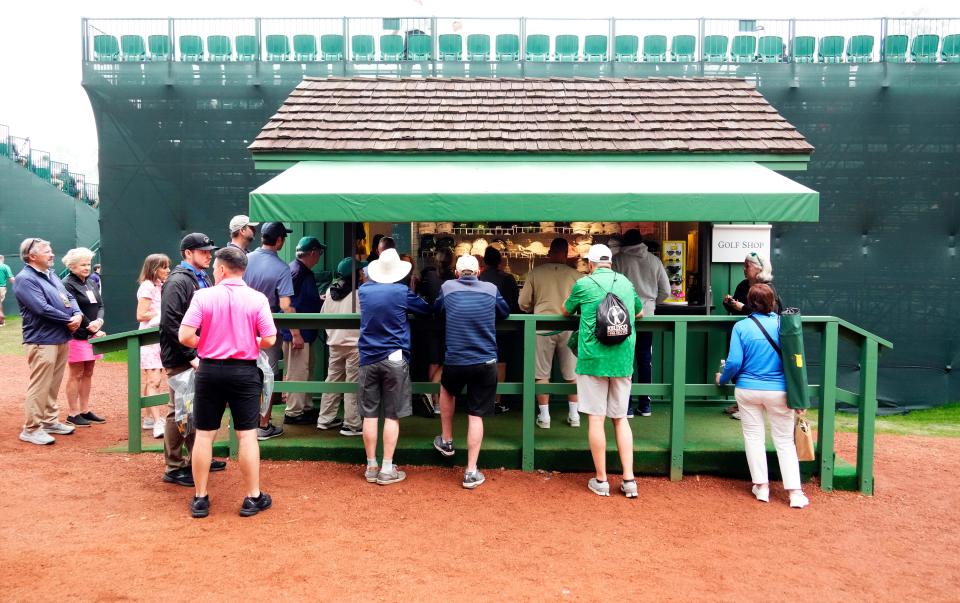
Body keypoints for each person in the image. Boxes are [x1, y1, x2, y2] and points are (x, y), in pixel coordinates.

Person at [179, 246, 277, 518]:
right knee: (247, 435)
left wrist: (208, 343)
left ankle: (200, 498)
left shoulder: (203, 296)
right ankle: (252, 497)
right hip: (244, 371)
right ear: (243, 269)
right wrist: (247, 341)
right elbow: (269, 339)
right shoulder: (257, 299)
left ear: (222, 269)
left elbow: (185, 336)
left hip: (209, 369)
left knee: (204, 434)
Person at [716, 283, 809, 509]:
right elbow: (797, 361)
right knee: (785, 441)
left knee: (753, 437)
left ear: (749, 302)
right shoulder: (784, 325)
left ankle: (761, 487)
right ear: (773, 302)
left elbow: (735, 362)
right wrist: (800, 396)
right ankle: (795, 492)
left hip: (747, 389)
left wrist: (722, 377)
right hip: (779, 390)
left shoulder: (741, 327)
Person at [563, 244, 644, 498]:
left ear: (590, 263)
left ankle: (601, 480)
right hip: (622, 358)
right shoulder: (626, 283)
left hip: (592, 359)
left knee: (596, 419)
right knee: (620, 419)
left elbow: (565, 310)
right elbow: (639, 312)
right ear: (611, 262)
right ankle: (629, 480)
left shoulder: (584, 284)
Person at [432, 255, 510, 489]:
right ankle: (471, 471)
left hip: (456, 359)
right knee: (476, 414)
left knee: (447, 389)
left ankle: (446, 440)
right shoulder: (491, 288)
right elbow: (504, 312)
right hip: (486, 360)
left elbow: (436, 310)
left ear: (457, 272)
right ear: (479, 272)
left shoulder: (447, 287)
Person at [357, 249, 431, 485]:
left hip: (368, 356)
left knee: (369, 414)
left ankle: (371, 466)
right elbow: (426, 310)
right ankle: (387, 468)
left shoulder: (364, 290)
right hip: (395, 357)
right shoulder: (401, 292)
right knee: (392, 414)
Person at [160, 233, 226, 486]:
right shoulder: (178, 280)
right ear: (188, 253)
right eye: (203, 251)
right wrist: (190, 356)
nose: (209, 254)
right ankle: (174, 466)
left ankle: (197, 457)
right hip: (183, 356)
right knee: (179, 409)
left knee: (192, 408)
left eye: (210, 251)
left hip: (198, 353)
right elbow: (170, 323)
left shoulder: (201, 277)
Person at [14, 238, 83, 445]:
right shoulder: (25, 279)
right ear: (32, 256)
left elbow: (69, 297)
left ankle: (49, 420)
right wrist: (68, 319)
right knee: (40, 384)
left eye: (51, 250)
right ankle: (31, 428)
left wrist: (78, 314)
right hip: (42, 339)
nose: (52, 254)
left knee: (53, 384)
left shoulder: (50, 274)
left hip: (59, 337)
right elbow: (41, 307)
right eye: (47, 251)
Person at [519, 237, 580, 429]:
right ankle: (574, 415)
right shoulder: (577, 275)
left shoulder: (535, 273)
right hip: (569, 327)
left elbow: (523, 304)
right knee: (571, 374)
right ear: (566, 254)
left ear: (549, 252)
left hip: (541, 327)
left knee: (541, 374)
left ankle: (544, 417)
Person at [244, 221, 297, 440]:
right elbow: (285, 305)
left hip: (241, 324)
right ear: (279, 241)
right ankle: (263, 424)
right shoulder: (281, 267)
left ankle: (245, 421)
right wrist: (296, 331)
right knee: (268, 374)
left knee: (244, 372)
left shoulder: (244, 260)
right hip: (266, 326)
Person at [612, 229, 670, 418]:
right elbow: (666, 291)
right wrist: (652, 302)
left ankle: (626, 405)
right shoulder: (654, 261)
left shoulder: (618, 260)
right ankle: (645, 405)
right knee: (645, 359)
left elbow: (610, 288)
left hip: (622, 315)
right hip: (648, 315)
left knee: (624, 358)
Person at [722, 252, 783, 418]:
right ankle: (741, 404)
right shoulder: (743, 285)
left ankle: (750, 407)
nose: (744, 269)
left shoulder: (768, 288)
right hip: (744, 334)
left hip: (763, 338)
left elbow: (770, 313)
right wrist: (729, 303)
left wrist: (743, 308)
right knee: (739, 364)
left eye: (747, 266)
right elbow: (736, 308)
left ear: (758, 268)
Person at [317, 257, 366, 437]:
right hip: (354, 345)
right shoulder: (360, 293)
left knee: (333, 381)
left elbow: (323, 316)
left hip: (335, 342)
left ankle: (325, 419)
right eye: (360, 271)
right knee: (352, 384)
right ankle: (352, 424)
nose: (362, 273)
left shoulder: (331, 292)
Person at [60, 248, 107, 427]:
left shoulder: (91, 282)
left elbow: (101, 304)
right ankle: (73, 413)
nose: (87, 267)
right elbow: (72, 309)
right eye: (83, 264)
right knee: (76, 373)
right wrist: (90, 326)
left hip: (92, 333)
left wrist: (99, 321)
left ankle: (85, 410)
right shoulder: (66, 284)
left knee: (88, 372)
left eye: (88, 264)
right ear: (72, 266)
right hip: (77, 336)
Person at [282, 236, 325, 425]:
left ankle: (305, 408)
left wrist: (319, 299)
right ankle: (293, 412)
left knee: (306, 369)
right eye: (319, 253)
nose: (320, 257)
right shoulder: (297, 272)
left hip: (305, 332)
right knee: (298, 372)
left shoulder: (300, 270)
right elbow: (287, 305)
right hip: (298, 333)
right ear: (313, 253)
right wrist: (295, 333)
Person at [478, 246, 520, 413]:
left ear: (484, 261)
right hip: (505, 327)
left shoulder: (479, 278)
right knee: (500, 364)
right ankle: (497, 401)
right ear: (500, 261)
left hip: (482, 327)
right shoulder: (508, 278)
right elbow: (515, 304)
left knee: (483, 362)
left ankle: (483, 400)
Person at [416, 248, 456, 410]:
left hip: (431, 322)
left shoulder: (428, 276)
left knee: (433, 361)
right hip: (450, 324)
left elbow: (421, 296)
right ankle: (438, 399)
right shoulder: (453, 279)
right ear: (451, 262)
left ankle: (434, 400)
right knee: (447, 361)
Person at [136, 253, 171, 438]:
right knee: (154, 381)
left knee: (153, 379)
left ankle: (148, 418)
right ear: (154, 268)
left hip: (160, 338)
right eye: (164, 267)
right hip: (149, 339)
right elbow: (141, 315)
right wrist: (161, 315)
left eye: (167, 266)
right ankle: (158, 422)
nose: (168, 270)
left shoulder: (161, 286)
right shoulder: (147, 286)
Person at [0, 254, 15, 327]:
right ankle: (1, 321)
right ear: (2, 259)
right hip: (1, 287)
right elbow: (11, 278)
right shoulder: (5, 267)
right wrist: (19, 285)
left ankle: (1, 321)